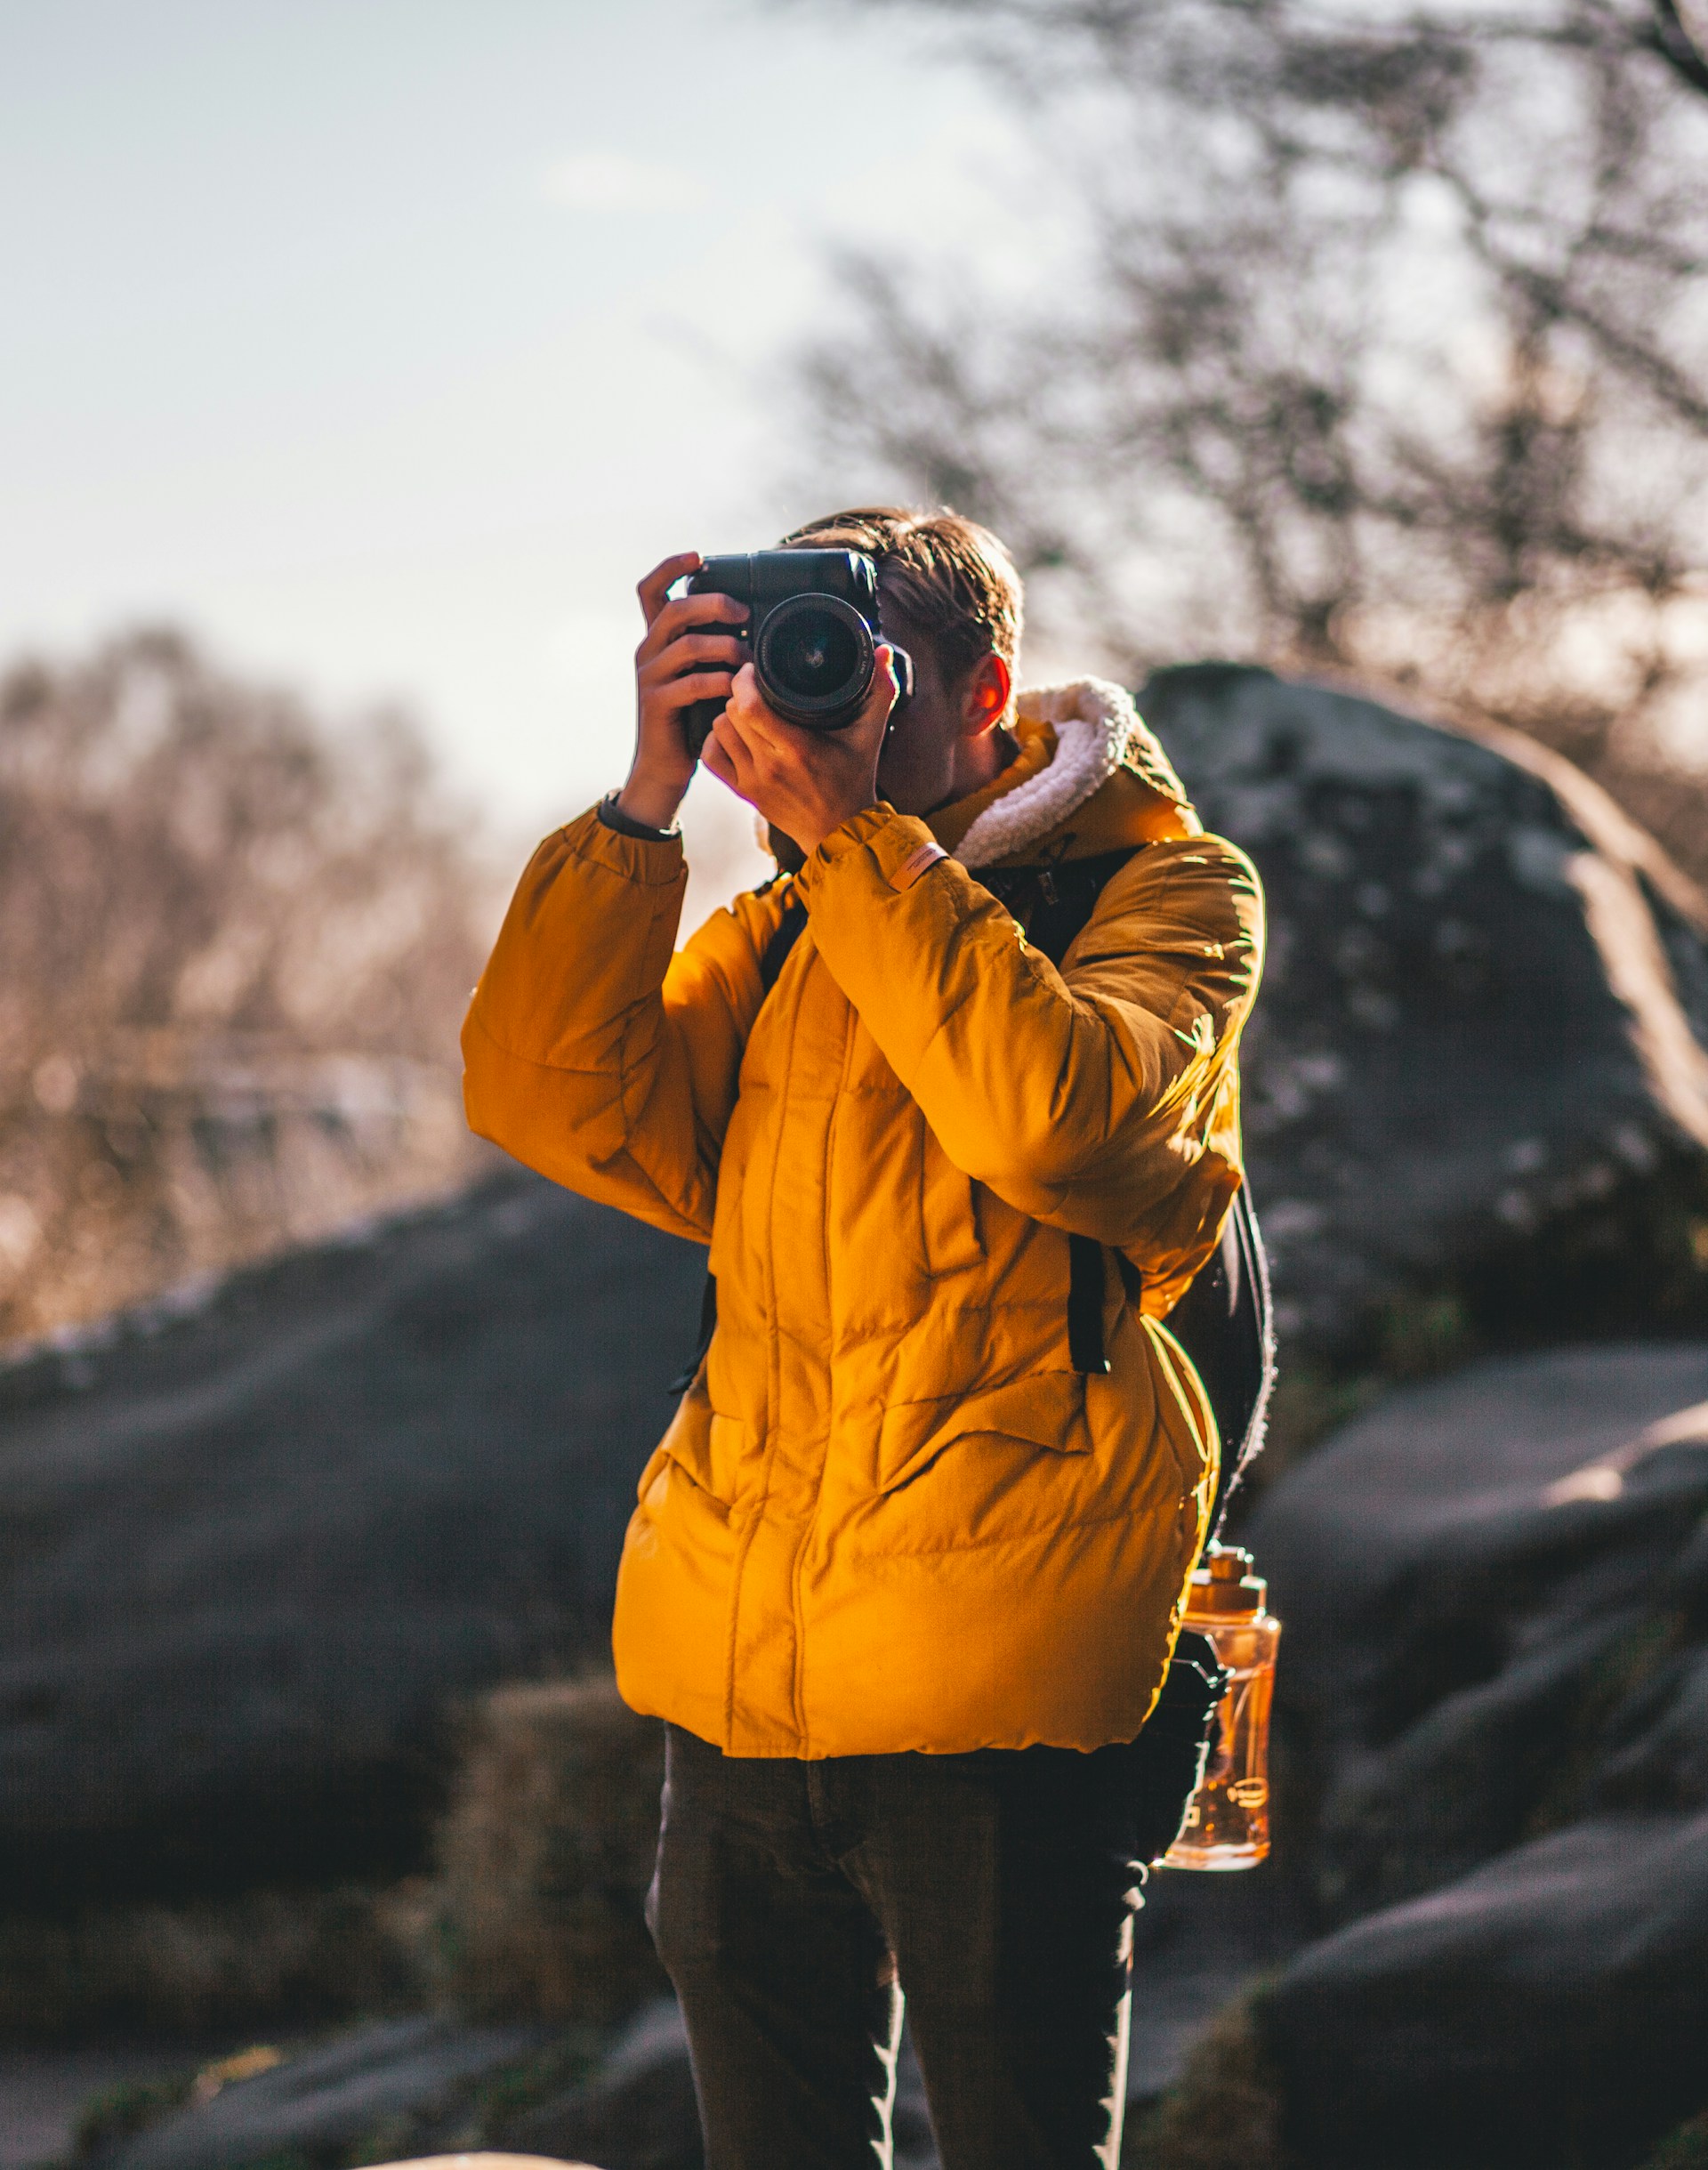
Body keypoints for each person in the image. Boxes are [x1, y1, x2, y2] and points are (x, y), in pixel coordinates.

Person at [461, 507, 1265, 2170]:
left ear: (986, 692)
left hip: (1007, 1685)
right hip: (749, 1674)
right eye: (785, 665)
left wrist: (863, 850)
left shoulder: (1168, 888)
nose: (820, 711)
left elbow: (1058, 1126)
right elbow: (548, 1101)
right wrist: (643, 803)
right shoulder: (787, 928)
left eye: (854, 670)